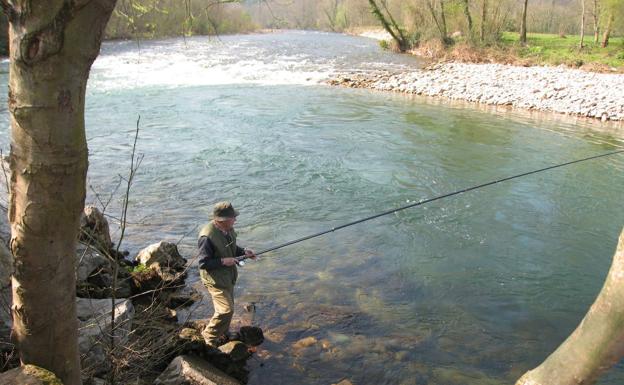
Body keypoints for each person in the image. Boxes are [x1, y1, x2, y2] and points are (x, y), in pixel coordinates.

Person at [197, 201, 256, 347]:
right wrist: (223, 261)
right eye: (233, 217)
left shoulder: (227, 229)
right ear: (222, 220)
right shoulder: (206, 237)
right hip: (215, 280)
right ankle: (209, 337)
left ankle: (223, 332)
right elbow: (203, 263)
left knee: (230, 307)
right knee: (226, 310)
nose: (235, 219)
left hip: (227, 277)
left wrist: (244, 252)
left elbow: (231, 247)